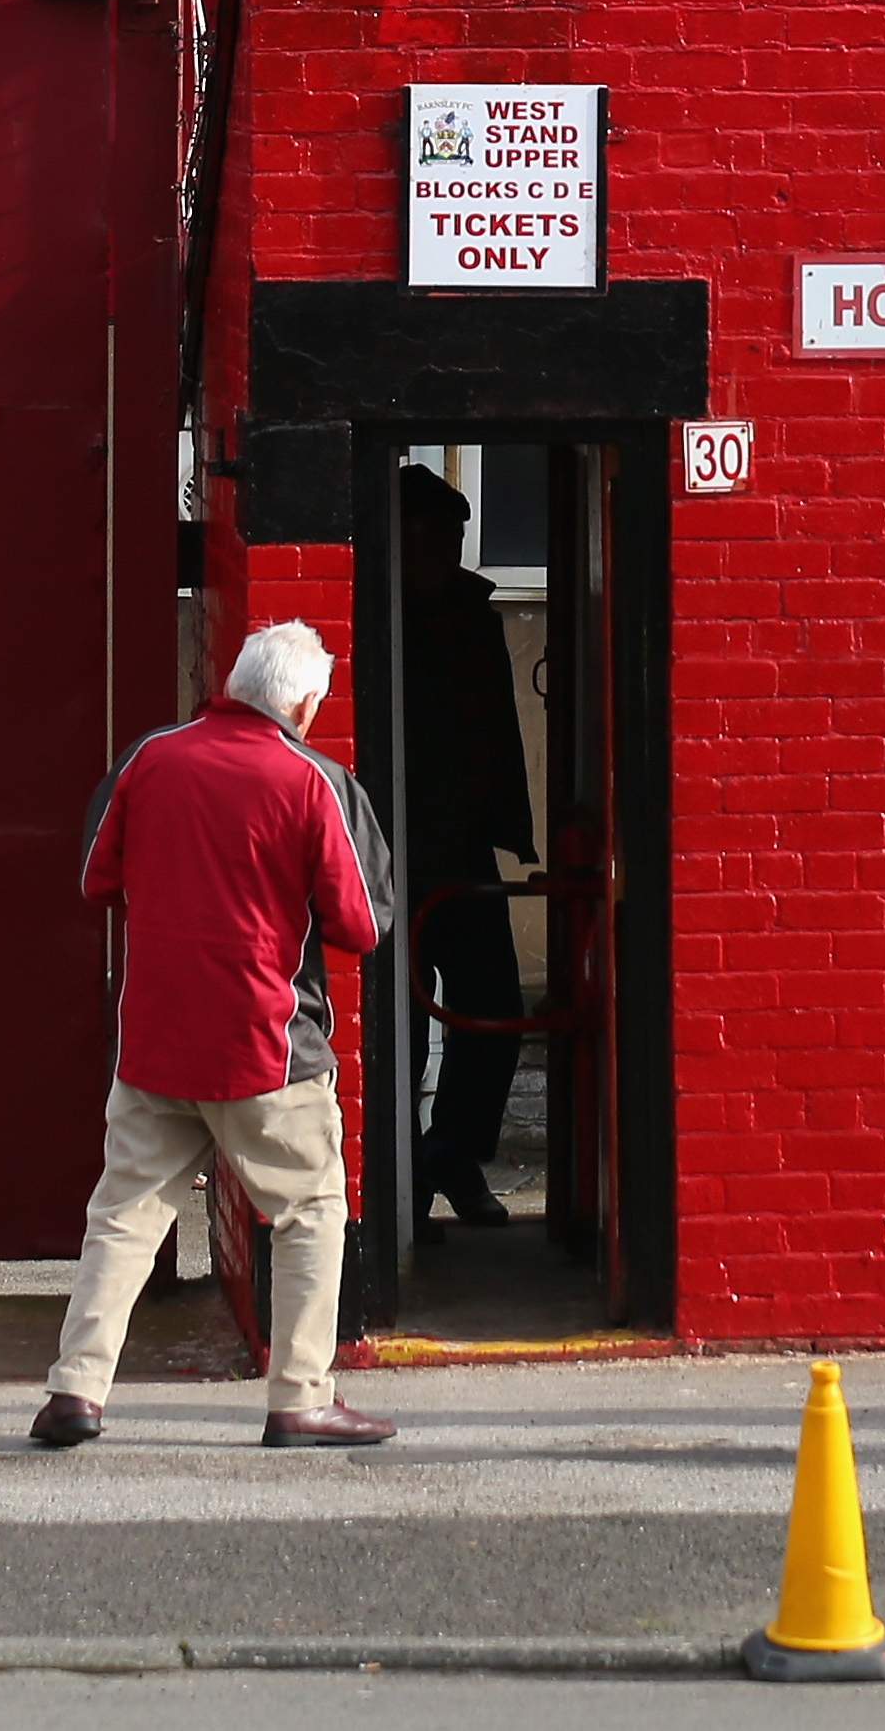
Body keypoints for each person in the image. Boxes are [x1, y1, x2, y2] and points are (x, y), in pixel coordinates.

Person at [31, 619, 401, 1452]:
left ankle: (75, 1390)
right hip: (267, 1044)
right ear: (305, 702)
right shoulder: (317, 781)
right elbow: (360, 924)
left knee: (123, 1213)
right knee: (309, 1209)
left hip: (156, 1038)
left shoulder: (148, 759)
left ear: (234, 682)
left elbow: (98, 879)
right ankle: (301, 1396)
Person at [397, 465, 535, 1227]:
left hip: (466, 845)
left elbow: (494, 731)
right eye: (433, 535)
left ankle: (450, 1156)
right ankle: (406, 1176)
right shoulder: (376, 613)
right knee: (401, 1029)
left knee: (496, 1009)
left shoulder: (471, 614)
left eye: (453, 535)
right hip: (396, 852)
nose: (448, 549)